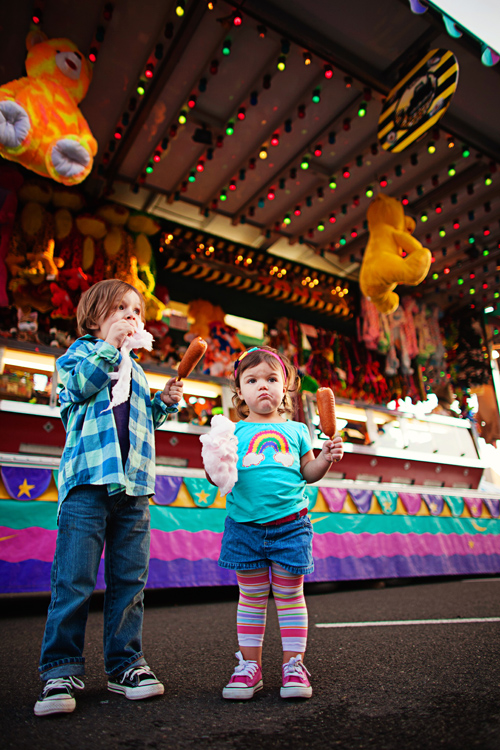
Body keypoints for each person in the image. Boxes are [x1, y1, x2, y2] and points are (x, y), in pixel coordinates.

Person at [34, 280, 183, 717]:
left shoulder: (135, 369)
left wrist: (163, 404)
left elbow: (141, 421)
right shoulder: (78, 356)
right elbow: (79, 388)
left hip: (133, 487)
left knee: (130, 581)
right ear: (94, 317)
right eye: (120, 308)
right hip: (87, 485)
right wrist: (111, 348)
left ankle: (125, 664)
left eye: (136, 310)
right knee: (74, 580)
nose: (131, 316)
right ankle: (60, 668)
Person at [207, 346, 343, 700]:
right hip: (244, 528)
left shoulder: (298, 430)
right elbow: (219, 476)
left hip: (290, 527)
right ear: (239, 391)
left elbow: (308, 473)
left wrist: (326, 458)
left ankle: (293, 666)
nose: (262, 386)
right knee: (251, 598)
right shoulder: (231, 431)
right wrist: (213, 465)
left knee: (289, 596)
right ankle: (250, 668)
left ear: (287, 386)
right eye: (252, 380)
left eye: (271, 378)